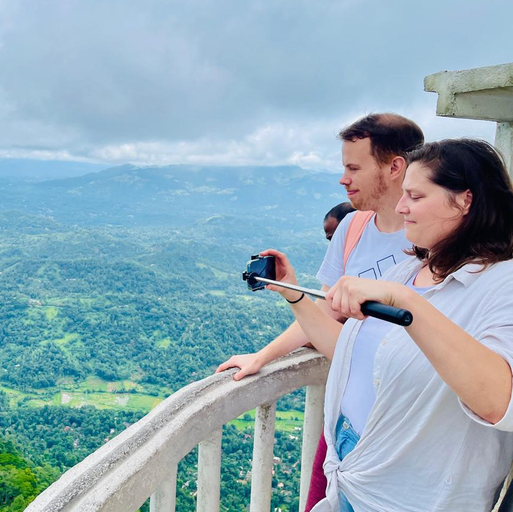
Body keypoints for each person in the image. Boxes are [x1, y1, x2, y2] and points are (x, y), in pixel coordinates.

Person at [264, 139, 513, 511]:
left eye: (415, 195)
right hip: (352, 466)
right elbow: (352, 352)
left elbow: (499, 403)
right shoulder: (408, 270)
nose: (401, 207)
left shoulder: (501, 283)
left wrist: (407, 301)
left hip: (413, 493)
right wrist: (295, 295)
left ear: (465, 200)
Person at [217, 113, 423, 510]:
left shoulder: (428, 240)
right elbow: (326, 312)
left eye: (353, 167)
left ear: (395, 166)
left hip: (401, 428)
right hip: (347, 414)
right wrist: (263, 356)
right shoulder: (353, 229)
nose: (343, 179)